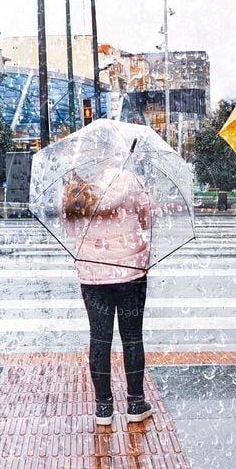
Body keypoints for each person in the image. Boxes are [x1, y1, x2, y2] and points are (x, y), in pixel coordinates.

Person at [62, 166, 153, 426]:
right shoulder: (129, 180)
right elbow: (147, 219)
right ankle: (135, 402)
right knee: (132, 337)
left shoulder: (74, 183)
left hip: (92, 275)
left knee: (99, 339)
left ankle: (103, 407)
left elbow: (69, 227)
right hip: (130, 272)